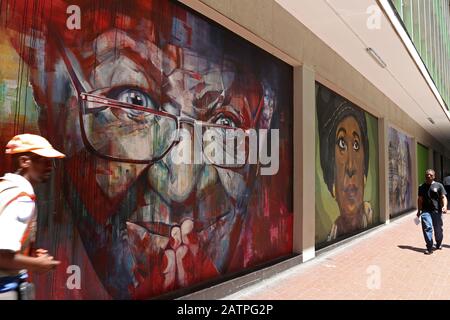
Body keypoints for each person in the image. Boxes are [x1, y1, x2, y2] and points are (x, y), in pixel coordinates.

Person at [1, 0, 293, 299]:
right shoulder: (19, 195)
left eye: (225, 123)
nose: (182, 187)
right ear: (53, 111)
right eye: (134, 102)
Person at [0, 134, 65, 299]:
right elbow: (2, 257)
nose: (50, 166)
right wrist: (38, 264)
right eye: (43, 160)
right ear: (24, 161)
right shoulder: (21, 198)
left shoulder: (6, 188)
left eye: (51, 162)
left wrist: (29, 253)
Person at [317, 84, 373, 242]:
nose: (350, 167)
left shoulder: (371, 216)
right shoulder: (330, 236)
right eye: (341, 144)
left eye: (356, 145)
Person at [417, 169, 448, 254]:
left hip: (437, 211)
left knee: (438, 229)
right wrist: (419, 210)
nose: (428, 176)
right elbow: (420, 199)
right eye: (427, 174)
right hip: (425, 211)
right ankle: (429, 246)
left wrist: (445, 206)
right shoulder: (421, 187)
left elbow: (443, 197)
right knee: (427, 227)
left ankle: (438, 243)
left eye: (430, 175)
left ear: (434, 176)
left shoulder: (439, 185)